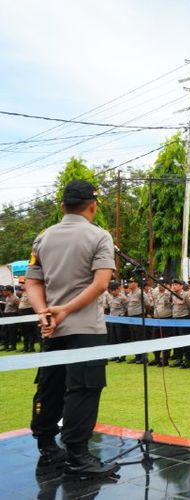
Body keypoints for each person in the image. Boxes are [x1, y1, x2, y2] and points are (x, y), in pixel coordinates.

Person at [25, 179, 119, 478]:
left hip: (51, 328)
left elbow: (33, 281)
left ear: (62, 205)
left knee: (50, 386)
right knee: (83, 389)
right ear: (93, 206)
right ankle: (78, 456)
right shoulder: (99, 236)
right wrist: (65, 310)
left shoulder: (43, 237)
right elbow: (101, 283)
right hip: (85, 328)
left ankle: (47, 447)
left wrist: (44, 313)